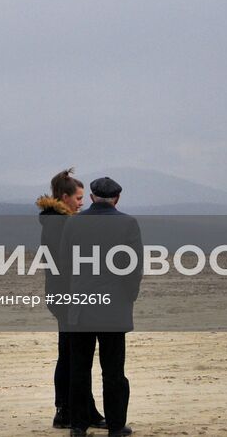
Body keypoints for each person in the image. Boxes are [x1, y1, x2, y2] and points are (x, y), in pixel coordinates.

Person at [61, 177, 142, 437]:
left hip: (82, 307)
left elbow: (63, 263)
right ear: (117, 198)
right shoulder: (128, 224)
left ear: (93, 196)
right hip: (114, 307)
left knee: (79, 370)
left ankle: (78, 425)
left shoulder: (74, 223)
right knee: (114, 371)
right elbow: (133, 268)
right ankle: (116, 426)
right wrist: (128, 297)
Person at [37, 168, 105, 430]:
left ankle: (74, 409)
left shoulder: (57, 220)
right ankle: (70, 410)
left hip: (62, 294)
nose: (82, 202)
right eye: (78, 198)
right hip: (67, 295)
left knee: (69, 352)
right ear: (64, 197)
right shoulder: (60, 224)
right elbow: (68, 262)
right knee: (72, 355)